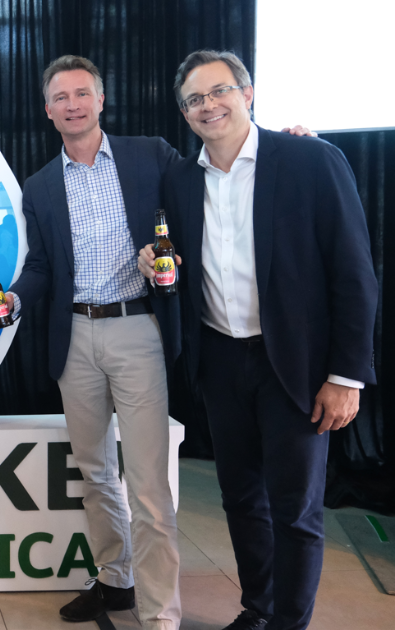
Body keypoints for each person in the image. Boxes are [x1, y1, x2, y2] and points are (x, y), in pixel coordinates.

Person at [139, 50, 377, 630]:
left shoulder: (309, 159)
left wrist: (347, 376)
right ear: (184, 113)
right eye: (194, 99)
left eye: (219, 91)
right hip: (221, 360)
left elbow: (354, 272)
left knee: (296, 510)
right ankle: (259, 608)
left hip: (295, 366)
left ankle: (290, 623)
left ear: (247, 94)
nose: (208, 106)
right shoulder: (180, 178)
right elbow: (180, 268)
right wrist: (155, 266)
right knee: (242, 499)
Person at [0, 55, 184, 629]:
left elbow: (203, 195)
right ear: (47, 110)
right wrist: (13, 298)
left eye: (81, 93)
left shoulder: (151, 154)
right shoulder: (40, 185)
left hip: (137, 329)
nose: (72, 104)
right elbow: (42, 266)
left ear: (101, 100)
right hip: (74, 336)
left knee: (147, 484)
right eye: (60, 97)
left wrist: (281, 144)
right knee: (95, 474)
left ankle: (161, 615)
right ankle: (115, 580)